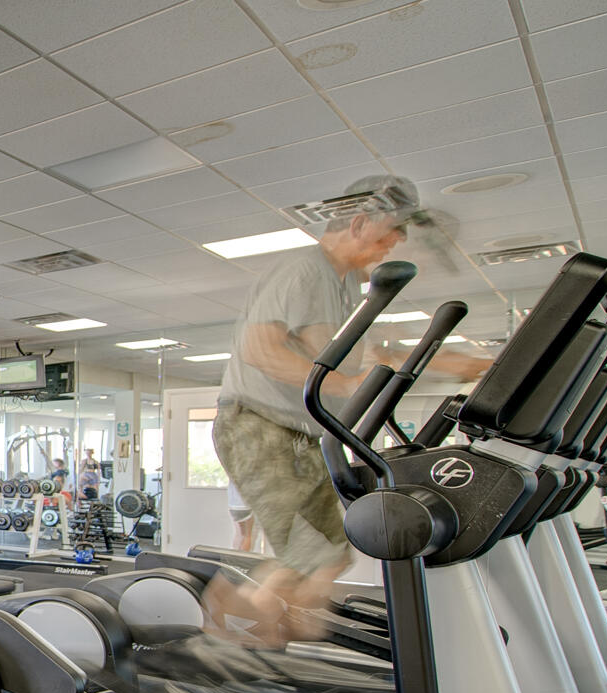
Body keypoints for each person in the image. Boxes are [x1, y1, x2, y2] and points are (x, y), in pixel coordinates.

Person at [210, 174, 490, 644]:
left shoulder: (340, 288)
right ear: (359, 222)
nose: (396, 243)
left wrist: (475, 363)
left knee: (337, 551)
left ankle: (271, 626)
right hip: (257, 426)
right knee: (310, 552)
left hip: (299, 433)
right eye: (390, 233)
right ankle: (226, 629)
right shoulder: (304, 268)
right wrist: (345, 382)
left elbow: (378, 356)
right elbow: (260, 349)